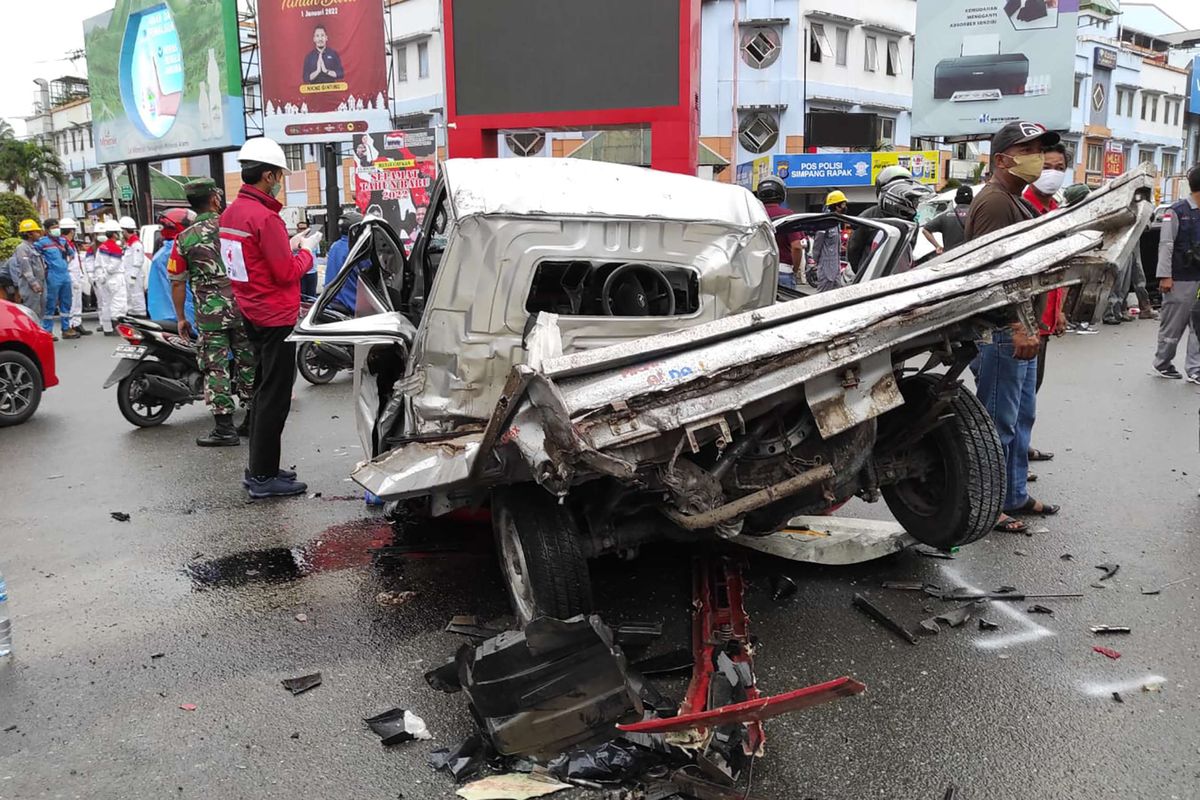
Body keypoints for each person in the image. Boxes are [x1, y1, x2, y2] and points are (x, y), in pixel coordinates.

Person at [964, 121, 1063, 533]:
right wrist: (1016, 325)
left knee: (1022, 417)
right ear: (1004, 158)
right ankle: (987, 506)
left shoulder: (1013, 199)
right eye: (1031, 150)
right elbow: (992, 275)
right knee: (998, 423)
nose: (1039, 159)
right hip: (1004, 331)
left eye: (1041, 150)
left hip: (1023, 326)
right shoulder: (995, 202)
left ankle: (1014, 494)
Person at [220, 137, 321, 498]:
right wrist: (307, 251)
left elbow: (251, 261)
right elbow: (285, 273)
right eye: (278, 174)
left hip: (252, 311)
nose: (280, 179)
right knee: (274, 398)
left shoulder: (233, 213)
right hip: (275, 315)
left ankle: (261, 468)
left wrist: (289, 244)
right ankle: (263, 478)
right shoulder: (266, 217)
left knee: (263, 392)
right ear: (266, 175)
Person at [169, 179, 256, 448]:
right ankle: (253, 419)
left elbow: (177, 281)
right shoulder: (234, 229)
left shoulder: (184, 238)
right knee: (248, 361)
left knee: (215, 367)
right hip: (243, 308)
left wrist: (181, 317)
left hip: (210, 315)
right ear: (215, 200)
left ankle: (224, 429)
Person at [1021, 143, 1069, 397]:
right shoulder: (1019, 209)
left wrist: (1058, 311)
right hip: (1020, 325)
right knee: (1012, 400)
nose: (1052, 173)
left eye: (1059, 168)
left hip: (1044, 322)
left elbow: (1059, 267)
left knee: (1031, 392)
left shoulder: (1056, 213)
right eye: (1045, 167)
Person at [1152, 164, 1200, 383]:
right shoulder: (1177, 211)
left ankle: (1195, 369)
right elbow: (1166, 244)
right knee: (1173, 327)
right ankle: (1163, 362)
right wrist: (1165, 275)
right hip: (1180, 277)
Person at [846, 165, 913, 271]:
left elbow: (853, 249)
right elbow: (854, 248)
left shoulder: (911, 216)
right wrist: (862, 270)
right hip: (876, 275)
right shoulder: (867, 217)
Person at [148, 208, 196, 326]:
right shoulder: (176, 250)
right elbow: (179, 284)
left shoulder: (165, 250)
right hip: (181, 315)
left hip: (164, 313)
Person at [755, 176, 804, 289]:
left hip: (757, 273)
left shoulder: (752, 214)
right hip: (783, 271)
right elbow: (796, 247)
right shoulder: (788, 215)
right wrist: (795, 270)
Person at [34, 219, 75, 340]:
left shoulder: (63, 241)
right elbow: (35, 258)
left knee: (66, 302)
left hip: (65, 275)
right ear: (46, 230)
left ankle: (66, 329)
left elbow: (71, 253)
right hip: (52, 275)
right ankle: (47, 331)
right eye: (53, 227)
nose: (56, 230)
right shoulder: (41, 243)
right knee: (50, 303)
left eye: (58, 227)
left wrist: (66, 263)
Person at [326, 211, 368, 313]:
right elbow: (369, 272)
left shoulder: (335, 246)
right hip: (350, 302)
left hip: (331, 298)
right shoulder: (356, 249)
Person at [807, 190, 848, 292]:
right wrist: (816, 262)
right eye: (842, 205)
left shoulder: (836, 222)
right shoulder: (825, 222)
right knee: (822, 297)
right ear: (836, 206)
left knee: (837, 296)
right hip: (826, 268)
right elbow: (817, 244)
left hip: (836, 268)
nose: (845, 207)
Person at [92, 221, 127, 334]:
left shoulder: (101, 247)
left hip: (104, 280)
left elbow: (97, 264)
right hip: (115, 278)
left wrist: (101, 277)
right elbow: (113, 266)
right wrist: (106, 275)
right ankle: (117, 328)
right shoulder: (115, 248)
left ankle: (107, 328)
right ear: (115, 234)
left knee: (106, 303)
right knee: (119, 303)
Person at [58, 218, 92, 336]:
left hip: (77, 275)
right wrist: (72, 278)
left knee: (78, 303)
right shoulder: (62, 244)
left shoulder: (70, 244)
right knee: (70, 303)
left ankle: (77, 324)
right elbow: (64, 263)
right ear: (71, 231)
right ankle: (70, 325)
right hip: (70, 276)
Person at [922, 186, 975, 255]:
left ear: (956, 199)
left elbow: (925, 230)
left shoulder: (945, 216)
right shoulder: (976, 215)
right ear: (972, 199)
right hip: (971, 255)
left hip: (950, 256)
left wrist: (938, 246)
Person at [12, 219, 45, 323]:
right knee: (32, 313)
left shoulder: (33, 247)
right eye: (36, 231)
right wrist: (34, 284)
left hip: (40, 283)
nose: (39, 234)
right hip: (30, 286)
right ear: (29, 234)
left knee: (40, 312)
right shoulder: (22, 248)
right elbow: (26, 269)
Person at [119, 217, 147, 316]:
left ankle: (140, 314)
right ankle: (132, 314)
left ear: (124, 231)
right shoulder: (129, 244)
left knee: (137, 295)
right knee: (130, 296)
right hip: (128, 274)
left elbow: (138, 262)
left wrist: (133, 276)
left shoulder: (136, 244)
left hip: (134, 276)